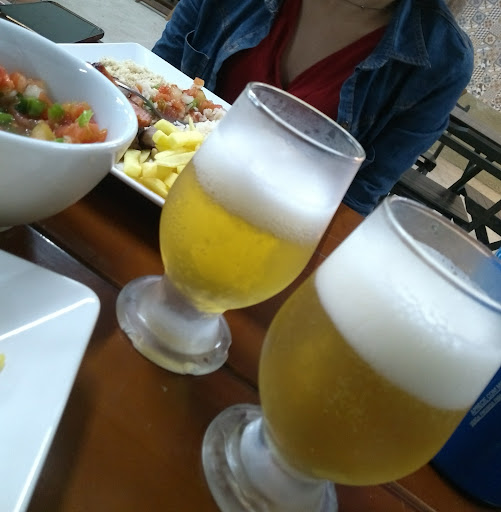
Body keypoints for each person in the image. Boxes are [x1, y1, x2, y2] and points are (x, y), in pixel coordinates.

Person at [152, 0, 473, 216]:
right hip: (142, 186)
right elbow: (149, 81)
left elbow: (354, 199)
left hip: (259, 233)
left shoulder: (443, 62)